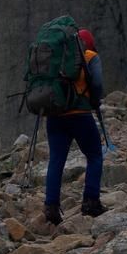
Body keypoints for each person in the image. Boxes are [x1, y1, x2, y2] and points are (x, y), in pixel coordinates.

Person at [44, 29, 107, 225]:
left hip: (54, 115)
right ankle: (91, 202)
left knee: (56, 160)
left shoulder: (55, 58)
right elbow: (96, 83)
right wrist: (94, 101)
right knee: (95, 155)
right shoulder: (90, 56)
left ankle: (51, 207)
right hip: (80, 115)